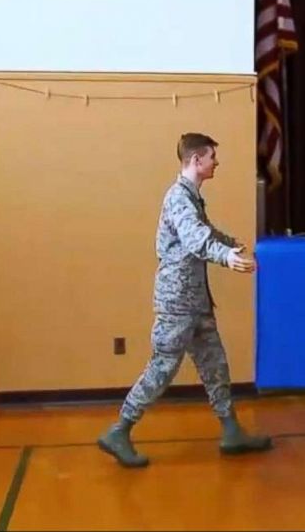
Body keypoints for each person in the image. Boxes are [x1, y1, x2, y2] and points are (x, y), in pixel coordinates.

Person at [97, 133, 273, 468]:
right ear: (196, 160)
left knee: (215, 364)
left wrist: (229, 243)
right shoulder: (178, 198)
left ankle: (231, 431)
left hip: (195, 302)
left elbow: (203, 230)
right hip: (177, 302)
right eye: (211, 157)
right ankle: (119, 431)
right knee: (162, 367)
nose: (216, 163)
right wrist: (226, 256)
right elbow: (195, 239)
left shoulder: (191, 198)